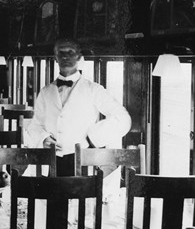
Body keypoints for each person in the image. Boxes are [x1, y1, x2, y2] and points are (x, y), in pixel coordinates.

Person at [26, 36, 131, 176]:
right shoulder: (45, 92)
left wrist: (93, 137)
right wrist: (44, 138)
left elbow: (123, 119)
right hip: (50, 162)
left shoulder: (94, 89)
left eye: (70, 52)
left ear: (79, 57)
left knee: (81, 197)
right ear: (55, 57)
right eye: (61, 53)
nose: (65, 57)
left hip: (83, 162)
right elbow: (35, 125)